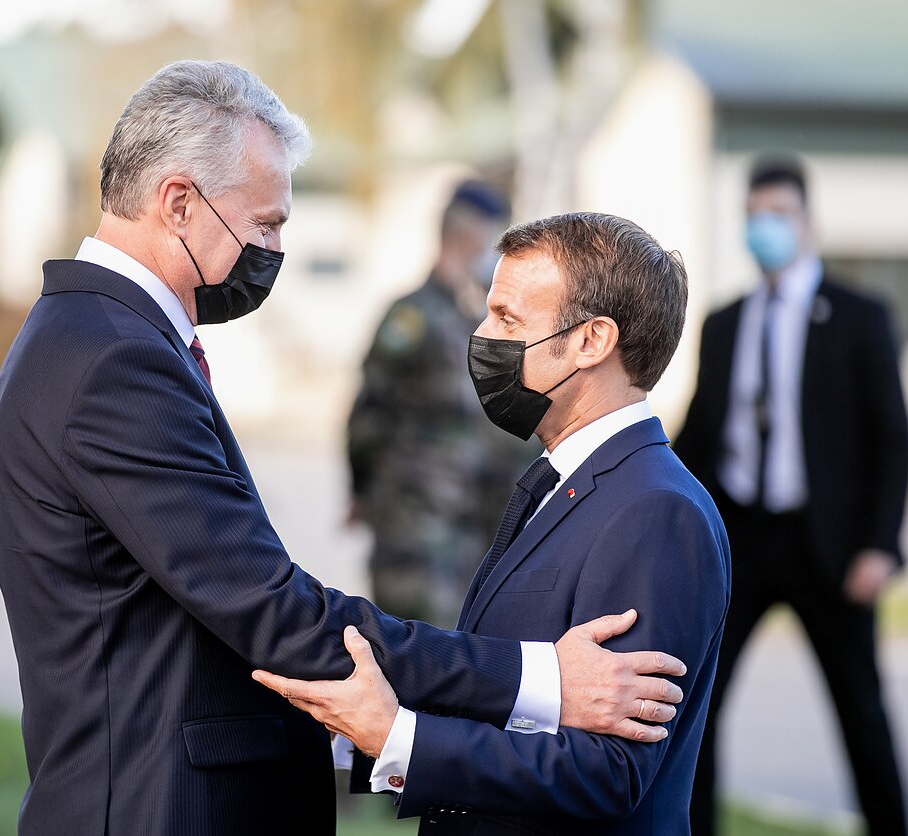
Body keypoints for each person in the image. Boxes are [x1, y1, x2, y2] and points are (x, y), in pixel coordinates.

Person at [0, 61, 693, 836]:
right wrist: (544, 677)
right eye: (266, 224)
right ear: (179, 203)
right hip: (153, 808)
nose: (274, 249)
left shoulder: (102, 341)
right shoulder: (113, 361)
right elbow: (271, 611)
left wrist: (398, 732)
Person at [257, 211, 732, 835]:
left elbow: (610, 771)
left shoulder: (654, 511)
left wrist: (403, 738)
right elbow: (510, 697)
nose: (483, 336)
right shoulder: (560, 480)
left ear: (592, 341)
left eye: (508, 319)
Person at [673, 155, 908, 836]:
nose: (764, 229)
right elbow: (699, 436)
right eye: (753, 217)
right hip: (743, 542)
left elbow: (892, 440)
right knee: (699, 703)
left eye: (777, 215)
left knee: (860, 712)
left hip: (829, 548)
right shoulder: (723, 323)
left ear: (809, 223)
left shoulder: (861, 318)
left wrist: (881, 545)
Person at [348, 179, 539, 625]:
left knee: (458, 655)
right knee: (411, 654)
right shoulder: (413, 317)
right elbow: (369, 415)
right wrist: (363, 489)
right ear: (470, 235)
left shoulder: (473, 321)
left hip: (471, 527)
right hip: (417, 525)